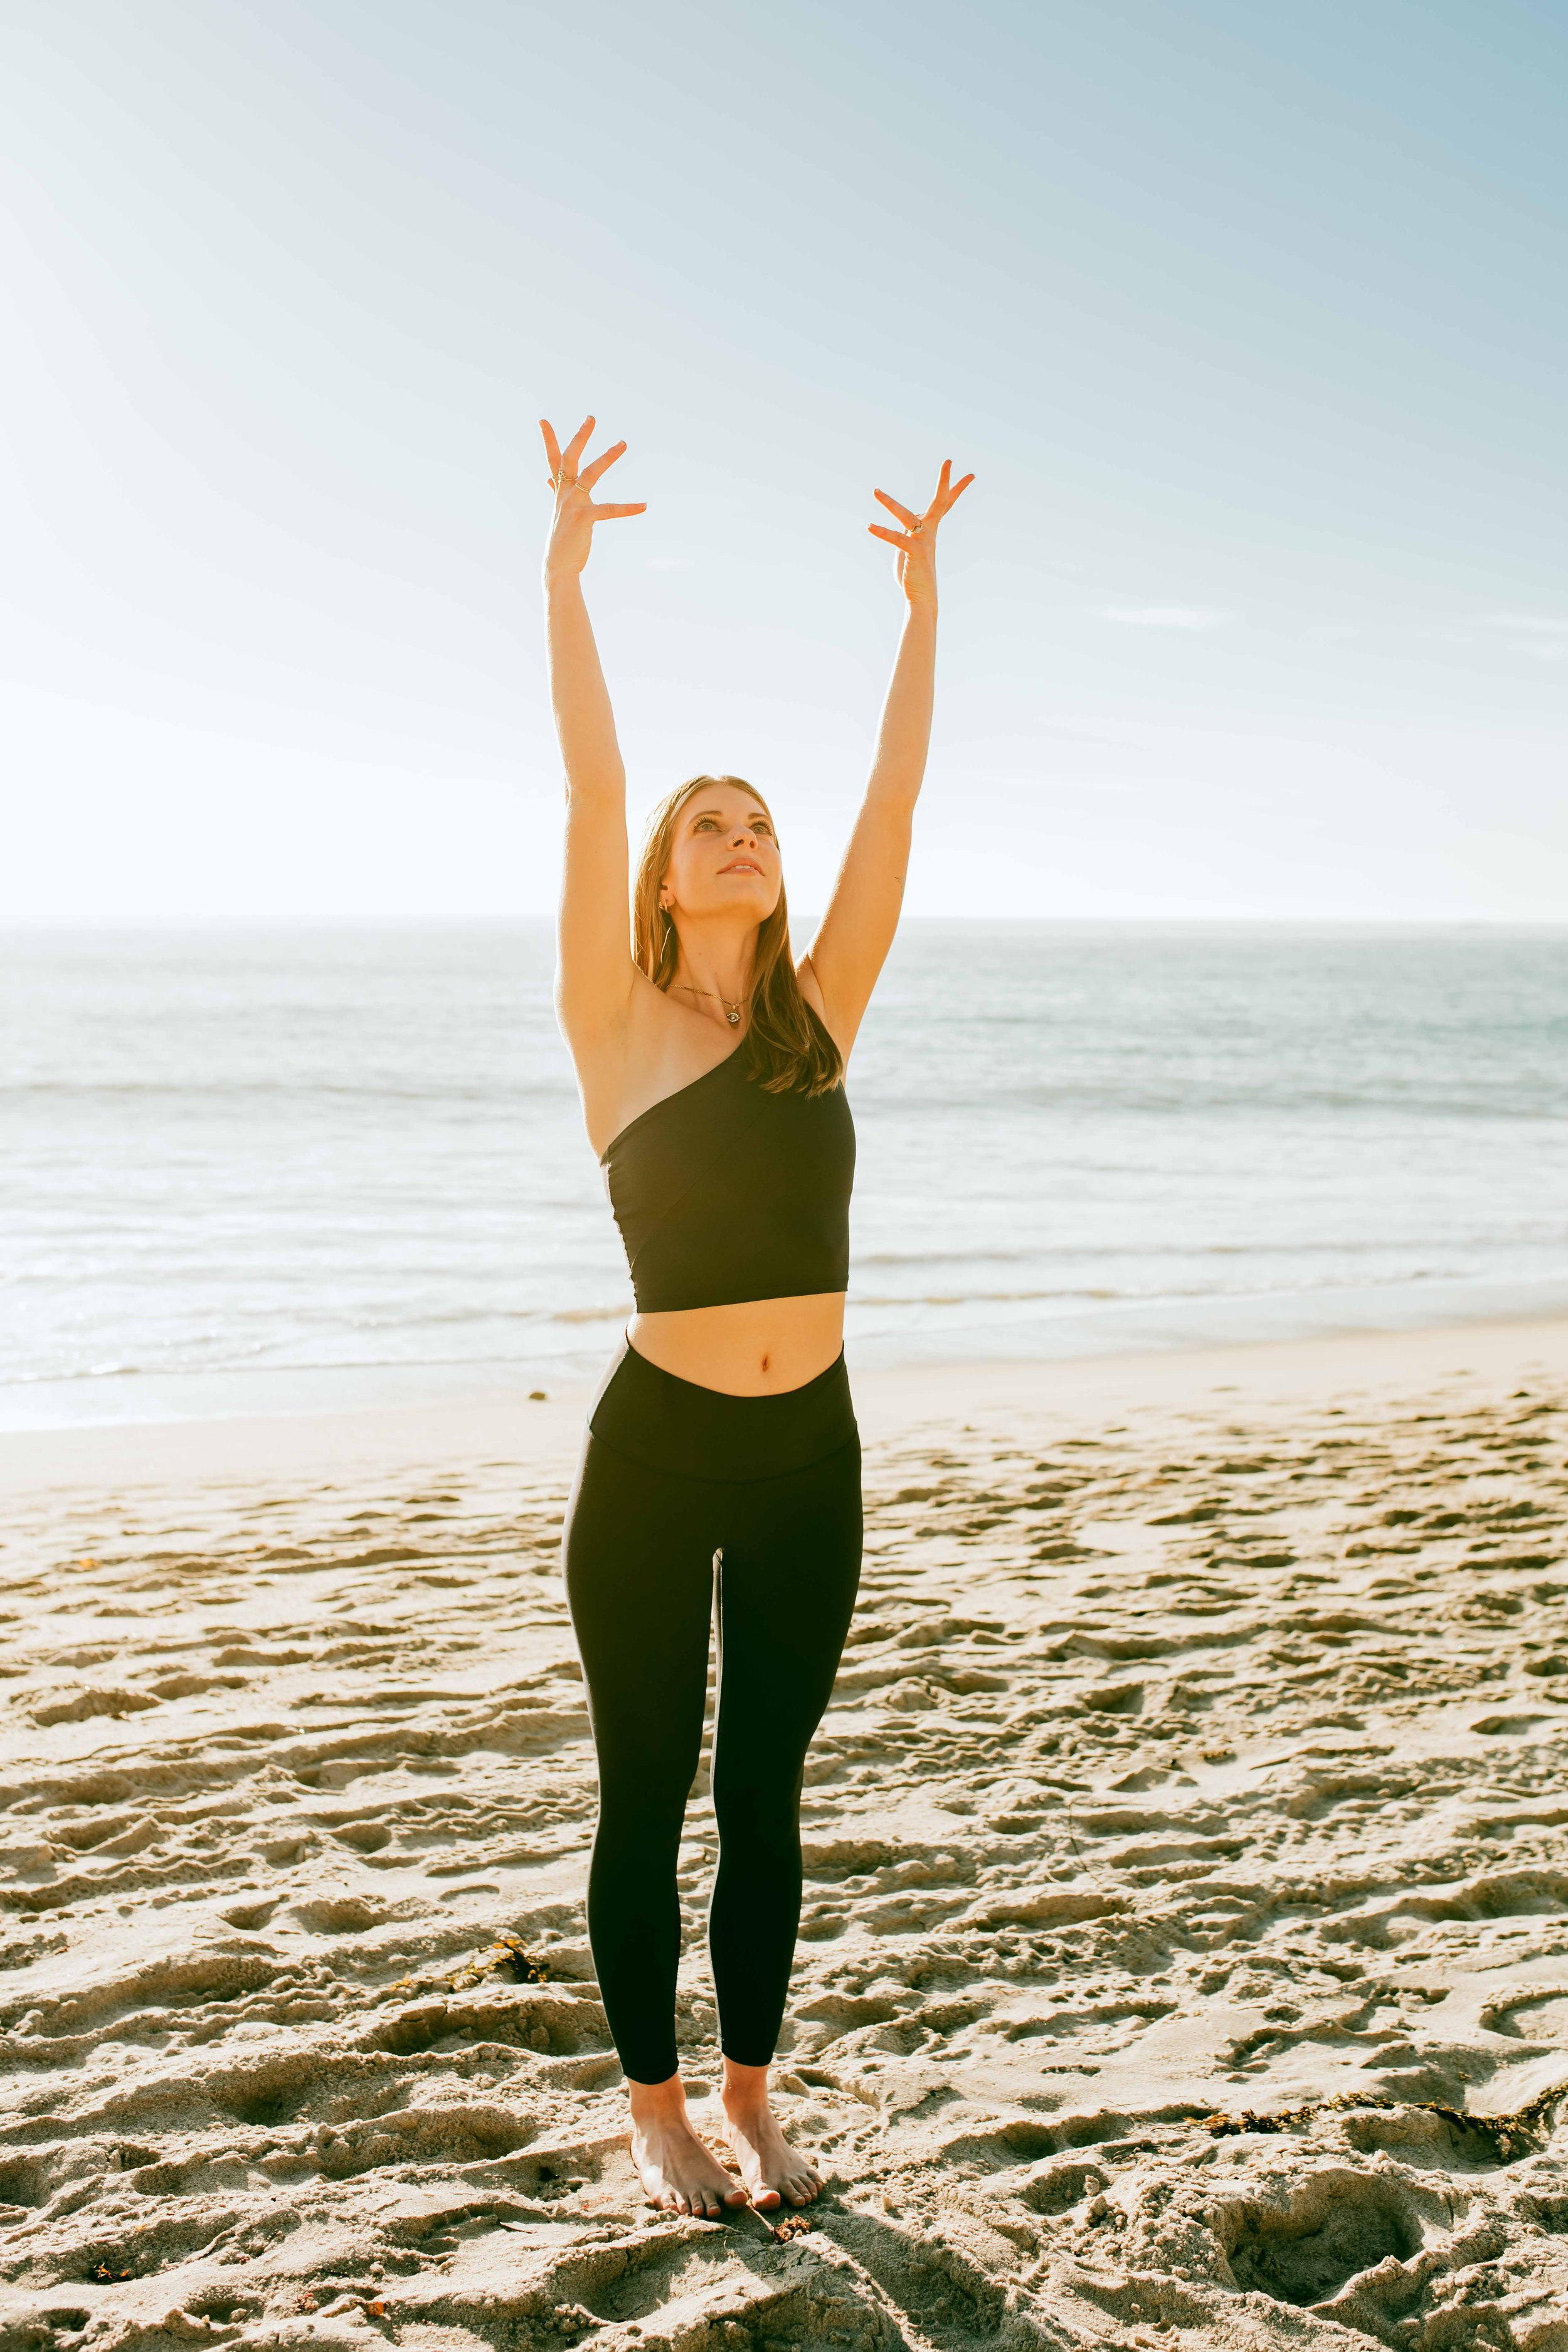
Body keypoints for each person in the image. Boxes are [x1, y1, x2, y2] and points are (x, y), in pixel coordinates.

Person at [544, 413, 971, 2217]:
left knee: (772, 1789)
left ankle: (751, 2092)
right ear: (662, 874)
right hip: (659, 1454)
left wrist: (918, 610)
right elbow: (587, 783)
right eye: (706, 826)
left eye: (755, 823)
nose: (739, 838)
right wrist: (563, 581)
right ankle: (652, 2108)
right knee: (649, 1780)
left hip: (812, 1449)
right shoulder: (618, 1023)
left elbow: (893, 806)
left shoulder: (818, 1013)